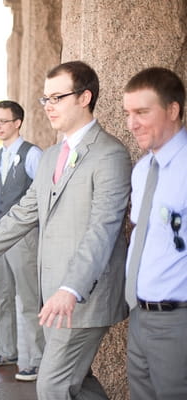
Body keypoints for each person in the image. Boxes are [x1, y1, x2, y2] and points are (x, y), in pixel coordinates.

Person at [0, 61, 132, 400]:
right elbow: (21, 214)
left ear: (85, 97)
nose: (49, 106)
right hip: (52, 293)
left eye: (58, 97)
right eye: (45, 99)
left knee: (52, 384)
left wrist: (71, 288)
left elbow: (103, 229)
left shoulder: (110, 154)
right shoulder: (53, 154)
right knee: (78, 382)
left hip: (83, 294)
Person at [122, 67, 187, 400]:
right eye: (128, 113)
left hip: (178, 322)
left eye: (142, 112)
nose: (132, 123)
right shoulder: (142, 169)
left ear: (173, 110)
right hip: (140, 316)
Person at [0, 100, 45, 382]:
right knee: (3, 296)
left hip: (24, 236)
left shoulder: (33, 155)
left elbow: (44, 196)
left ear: (17, 122)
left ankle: (38, 359)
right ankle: (7, 351)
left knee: (29, 299)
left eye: (3, 121)